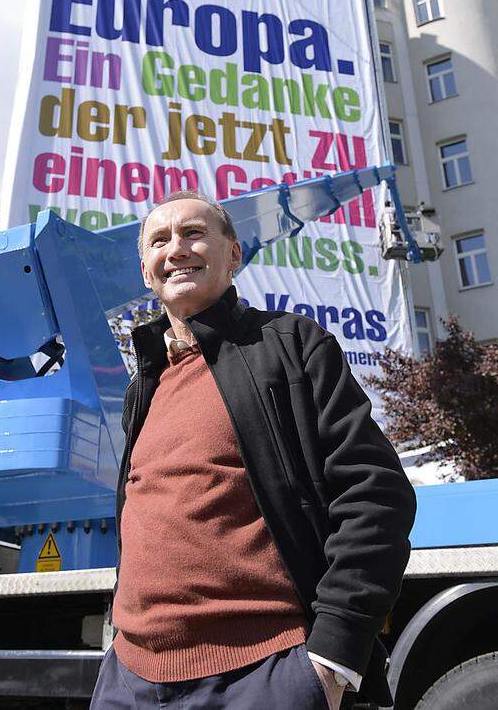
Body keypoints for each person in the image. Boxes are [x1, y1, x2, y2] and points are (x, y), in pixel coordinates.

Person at [91, 190, 417, 710]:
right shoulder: (144, 386)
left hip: (262, 674)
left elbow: (375, 492)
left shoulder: (291, 345)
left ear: (234, 254)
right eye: (159, 240)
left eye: (194, 233)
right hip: (128, 681)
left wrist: (331, 659)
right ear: (147, 272)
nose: (176, 248)